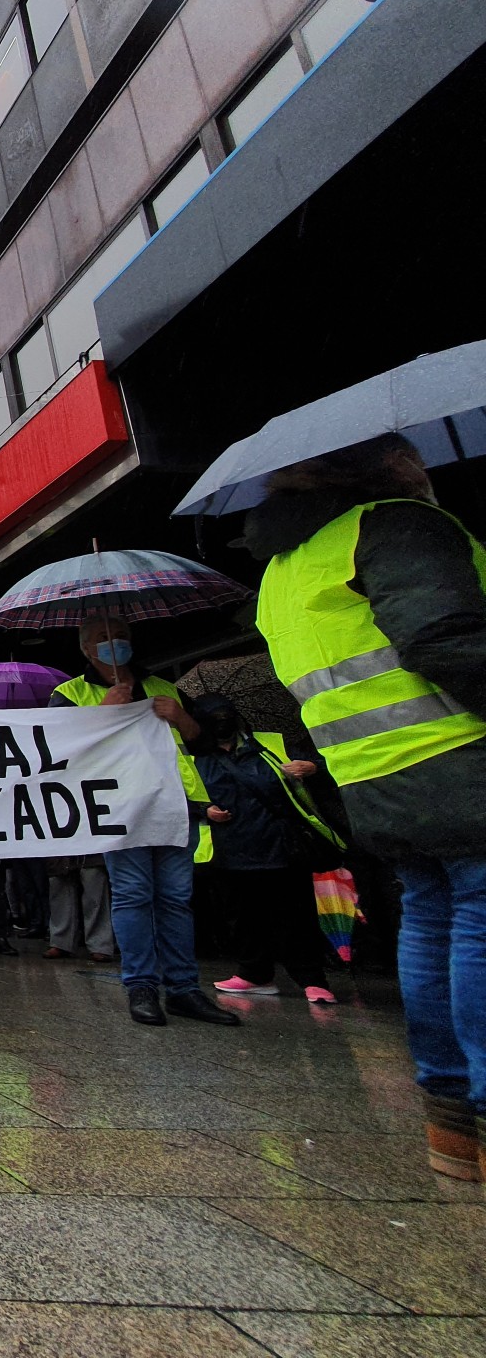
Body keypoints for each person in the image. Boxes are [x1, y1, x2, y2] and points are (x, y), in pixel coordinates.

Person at [246, 434, 486, 1180]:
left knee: (432, 916)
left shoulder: (280, 574)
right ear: (377, 468)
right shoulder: (392, 525)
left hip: (367, 778)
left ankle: (449, 1119)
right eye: (405, 454)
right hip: (457, 754)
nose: (420, 466)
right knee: (477, 919)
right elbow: (444, 636)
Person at [51, 617, 240, 1030]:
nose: (114, 643)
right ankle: (141, 987)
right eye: (103, 639)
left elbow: (202, 743)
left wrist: (181, 718)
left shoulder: (165, 689)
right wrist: (102, 715)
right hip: (120, 809)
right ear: (85, 649)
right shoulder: (70, 695)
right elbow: (56, 752)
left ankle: (184, 990)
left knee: (175, 899)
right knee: (133, 895)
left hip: (174, 806)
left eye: (120, 636)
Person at [189, 695, 341, 1005]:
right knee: (240, 916)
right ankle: (254, 973)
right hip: (228, 851)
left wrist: (311, 767)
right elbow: (179, 797)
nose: (222, 722)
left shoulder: (272, 744)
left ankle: (312, 978)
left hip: (280, 846)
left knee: (294, 914)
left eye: (226, 715)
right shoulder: (192, 759)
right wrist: (204, 811)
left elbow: (329, 763)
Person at [45, 854, 115, 962]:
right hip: (60, 849)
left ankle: (100, 945)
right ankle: (60, 942)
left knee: (94, 892)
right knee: (60, 891)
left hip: (91, 849)